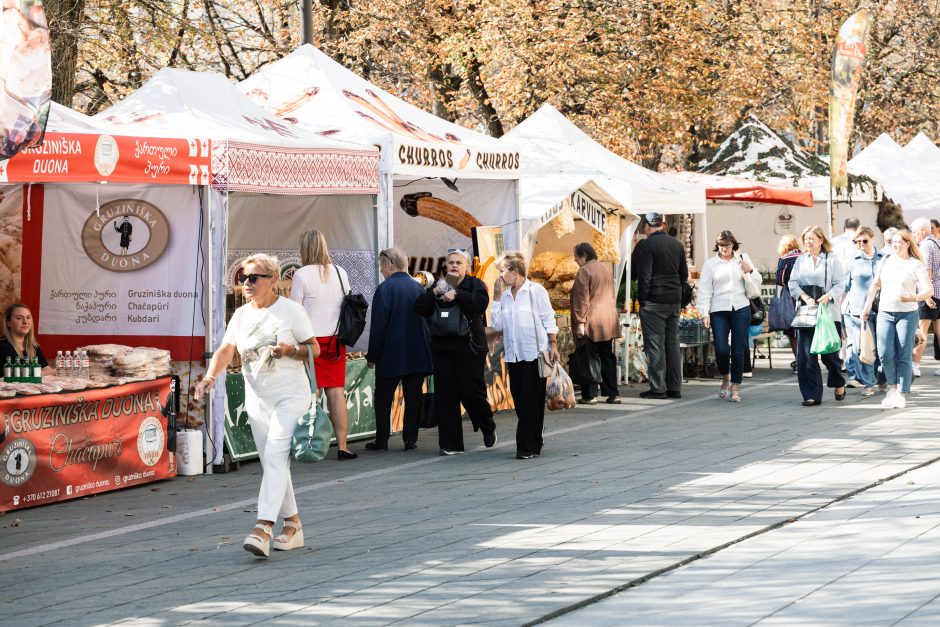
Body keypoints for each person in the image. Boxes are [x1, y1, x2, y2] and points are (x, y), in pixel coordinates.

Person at [195, 254, 318, 558]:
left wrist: (290, 350)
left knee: (276, 454)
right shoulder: (242, 314)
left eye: (253, 278)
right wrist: (211, 376)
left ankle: (263, 527)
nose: (246, 284)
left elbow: (314, 348)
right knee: (272, 462)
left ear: (272, 280)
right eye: (242, 278)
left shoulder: (291, 311)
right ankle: (293, 525)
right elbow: (227, 349)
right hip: (257, 398)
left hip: (291, 395)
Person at [414, 248, 496, 455]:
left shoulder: (474, 284)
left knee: (471, 392)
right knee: (447, 395)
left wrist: (458, 295)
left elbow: (481, 304)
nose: (453, 266)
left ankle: (487, 425)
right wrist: (434, 292)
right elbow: (419, 308)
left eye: (458, 262)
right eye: (450, 262)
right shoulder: (440, 285)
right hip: (442, 348)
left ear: (466, 266)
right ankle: (451, 444)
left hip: (470, 348)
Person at [289, 230, 358, 461]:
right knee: (337, 394)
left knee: (310, 394)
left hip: (310, 342)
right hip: (336, 341)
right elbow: (347, 302)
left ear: (304, 249)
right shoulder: (340, 272)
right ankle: (343, 445)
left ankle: (308, 443)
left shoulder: (301, 275)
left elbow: (294, 310)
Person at [492, 252, 560, 459]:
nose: (500, 276)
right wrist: (495, 297)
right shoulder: (504, 296)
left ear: (515, 271)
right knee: (521, 401)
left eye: (502, 271)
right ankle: (535, 439)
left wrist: (554, 345)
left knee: (532, 400)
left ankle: (525, 446)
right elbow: (497, 325)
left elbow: (548, 318)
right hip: (514, 355)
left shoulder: (535, 291)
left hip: (536, 352)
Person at [365, 247, 432, 452]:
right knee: (413, 398)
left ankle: (382, 440)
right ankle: (410, 439)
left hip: (390, 355)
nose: (382, 271)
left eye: (381, 267)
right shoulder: (419, 288)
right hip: (417, 353)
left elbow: (378, 327)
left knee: (383, 398)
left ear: (389, 264)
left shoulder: (385, 289)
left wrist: (372, 355)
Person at [861, 230, 932, 409]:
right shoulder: (885, 260)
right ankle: (891, 387)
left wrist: (914, 298)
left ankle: (901, 392)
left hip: (907, 314)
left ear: (908, 243)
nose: (895, 245)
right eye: (893, 242)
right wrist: (866, 307)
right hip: (885, 312)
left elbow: (928, 290)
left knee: (903, 353)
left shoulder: (915, 264)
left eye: (899, 242)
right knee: (884, 353)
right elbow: (875, 285)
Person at [696, 231, 761, 402]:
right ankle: (725, 377)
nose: (724, 248)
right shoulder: (711, 264)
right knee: (721, 348)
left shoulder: (742, 258)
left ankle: (736, 387)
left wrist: (750, 269)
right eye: (721, 245)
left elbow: (757, 280)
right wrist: (704, 312)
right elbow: (704, 289)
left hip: (741, 307)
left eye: (727, 245)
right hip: (719, 309)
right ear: (717, 245)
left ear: (734, 244)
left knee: (739, 349)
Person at [787, 226, 847, 406]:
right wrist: (804, 297)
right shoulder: (800, 260)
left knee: (830, 355)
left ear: (821, 240)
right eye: (806, 238)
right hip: (807, 312)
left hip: (828, 313)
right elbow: (792, 283)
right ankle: (811, 395)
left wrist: (828, 296)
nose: (808, 242)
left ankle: (838, 382)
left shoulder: (832, 259)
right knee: (806, 356)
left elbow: (840, 283)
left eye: (812, 238)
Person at [635, 211, 688, 399]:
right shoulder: (677, 244)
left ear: (648, 226)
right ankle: (674, 388)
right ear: (662, 225)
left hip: (654, 301)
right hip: (674, 300)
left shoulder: (647, 244)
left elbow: (645, 276)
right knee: (672, 345)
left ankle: (658, 388)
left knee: (655, 345)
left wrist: (643, 300)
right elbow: (684, 276)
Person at [570, 242, 622, 404]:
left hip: (592, 321)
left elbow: (581, 300)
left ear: (584, 256)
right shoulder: (604, 268)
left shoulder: (584, 271)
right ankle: (612, 393)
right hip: (608, 320)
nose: (575, 260)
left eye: (576, 257)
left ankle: (590, 395)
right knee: (607, 357)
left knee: (589, 357)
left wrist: (579, 322)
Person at [842, 227, 883, 396]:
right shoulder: (852, 260)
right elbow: (845, 287)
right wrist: (842, 307)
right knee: (863, 347)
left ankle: (883, 379)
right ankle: (868, 383)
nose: (861, 244)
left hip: (882, 309)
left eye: (864, 241)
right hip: (858, 310)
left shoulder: (884, 258)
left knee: (882, 348)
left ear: (872, 239)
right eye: (857, 241)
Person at [909, 218, 940, 377]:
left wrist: (926, 295)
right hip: (939, 292)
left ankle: (915, 364)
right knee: (938, 330)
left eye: (914, 232)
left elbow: (926, 272)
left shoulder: (926, 245)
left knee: (921, 330)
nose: (913, 235)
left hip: (930, 293)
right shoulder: (937, 242)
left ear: (923, 230)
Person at [775, 235, 802, 372]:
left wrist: (778, 300)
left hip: (790, 299)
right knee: (805, 328)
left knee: (792, 332)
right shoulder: (805, 256)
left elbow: (779, 281)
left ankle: (798, 361)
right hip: (806, 298)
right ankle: (807, 360)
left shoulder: (784, 259)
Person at [0, 303, 50, 371]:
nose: (25, 322)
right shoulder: (2, 345)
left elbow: (47, 370)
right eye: (19, 318)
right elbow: (18, 375)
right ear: (8, 322)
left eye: (28, 317)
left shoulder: (33, 346)